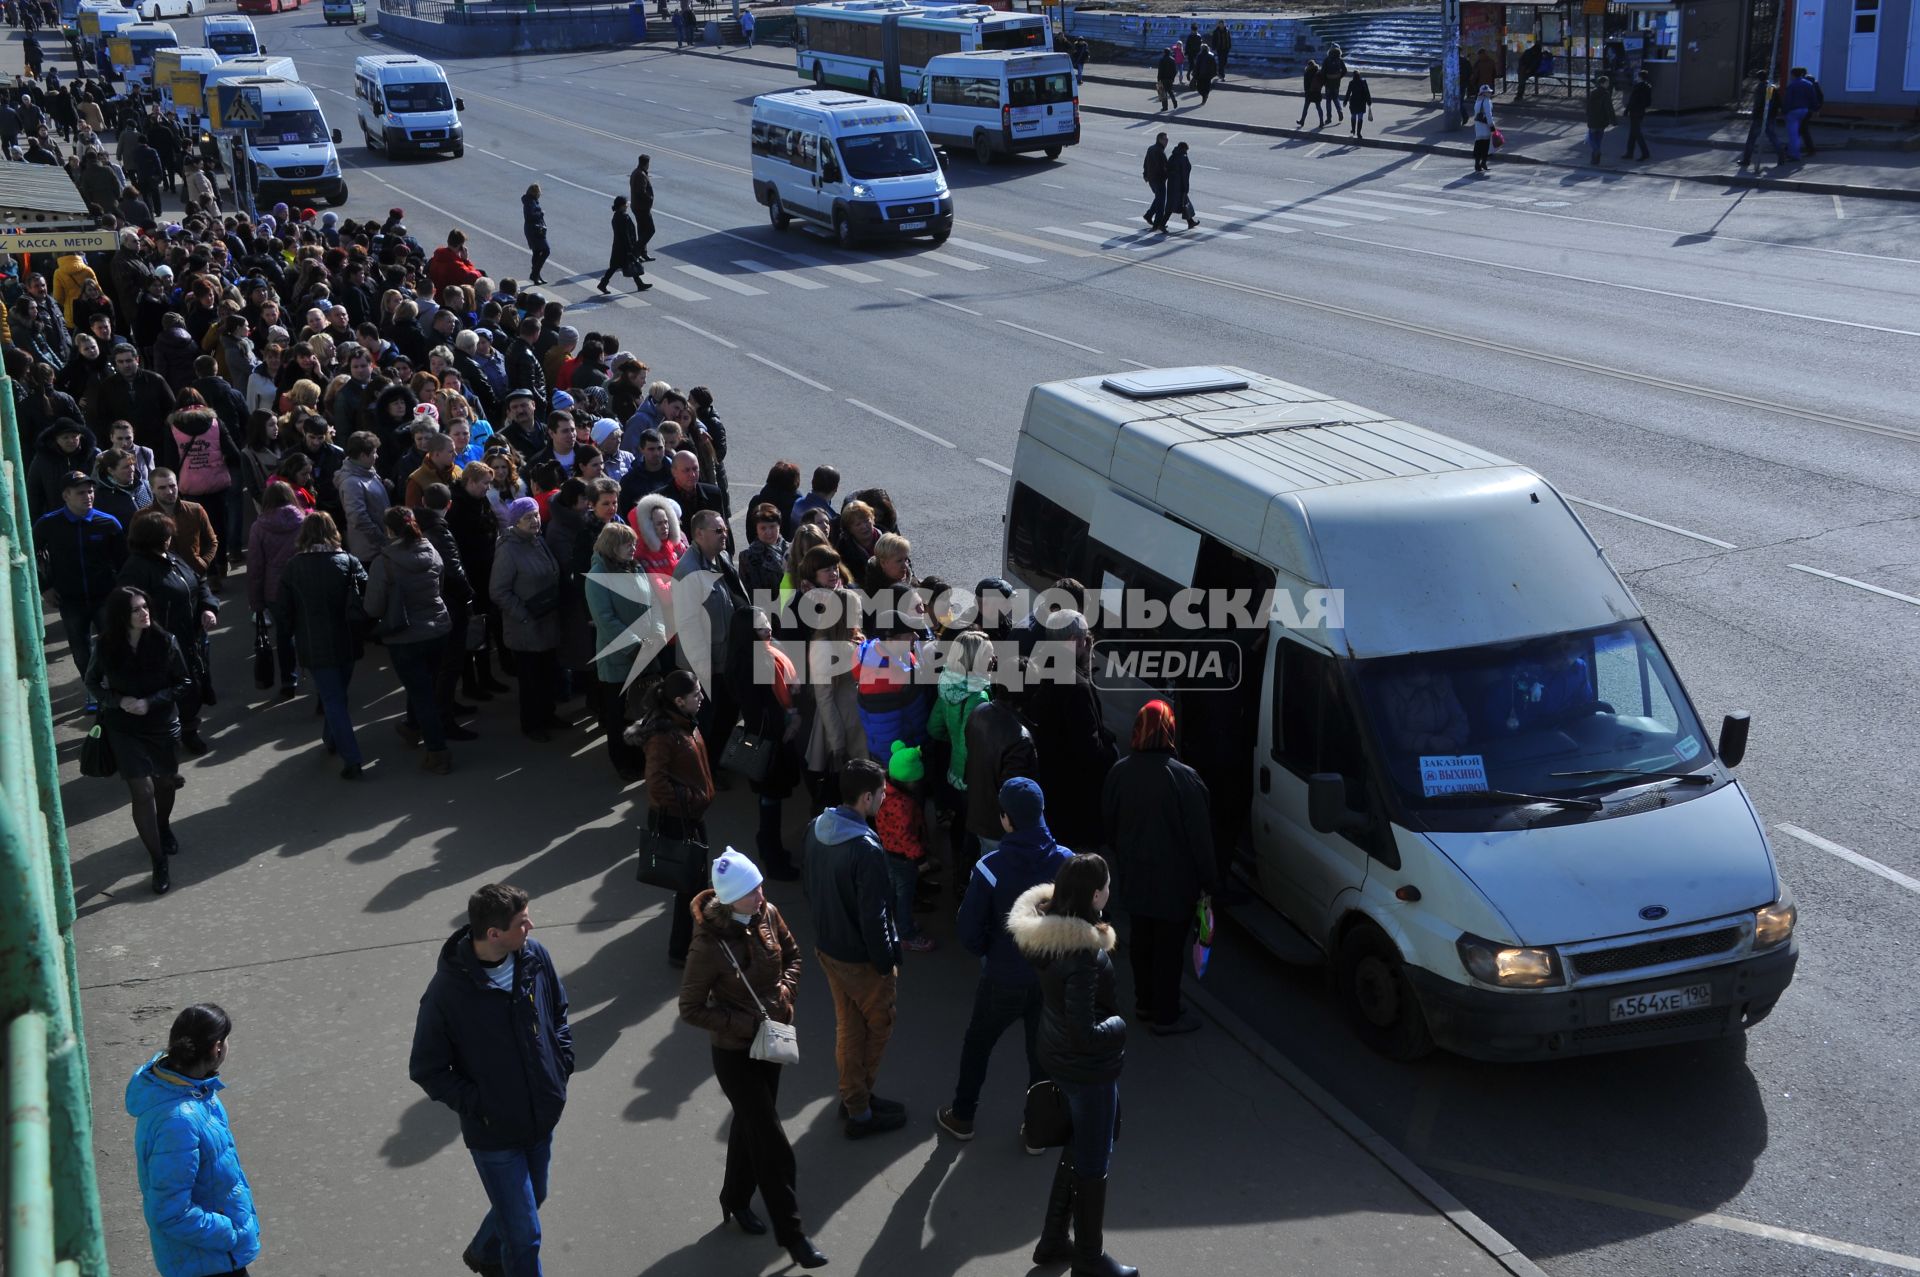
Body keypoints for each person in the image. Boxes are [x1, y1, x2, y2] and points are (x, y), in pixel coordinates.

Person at [409, 883, 573, 1277]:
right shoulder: (446, 993)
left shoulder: (534, 956)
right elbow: (427, 1068)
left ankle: (484, 1251)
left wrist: (561, 1063)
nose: (531, 926)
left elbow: (559, 1013)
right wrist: (482, 1105)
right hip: (495, 1134)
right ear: (495, 934)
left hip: (541, 1115)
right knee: (525, 1236)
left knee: (536, 1196)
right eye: (522, 922)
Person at [677, 850, 827, 1269]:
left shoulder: (769, 912)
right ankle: (793, 1236)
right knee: (772, 1143)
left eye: (759, 886)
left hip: (770, 1044)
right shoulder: (708, 945)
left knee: (749, 1125)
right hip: (735, 1053)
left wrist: (784, 994)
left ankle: (735, 1199)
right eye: (750, 892)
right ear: (729, 900)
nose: (760, 895)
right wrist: (741, 1022)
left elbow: (794, 956)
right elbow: (689, 1008)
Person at [1009, 854, 1134, 1277]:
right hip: (1087, 1069)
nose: (1111, 891)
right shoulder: (1084, 955)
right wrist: (1119, 1025)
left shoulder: (1048, 936)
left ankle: (1053, 1241)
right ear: (1096, 895)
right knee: (1094, 1160)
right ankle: (1089, 1258)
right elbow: (1087, 1032)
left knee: (1079, 1145)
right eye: (1108, 886)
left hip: (1057, 1055)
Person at [936, 776, 1071, 1145]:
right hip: (1049, 979)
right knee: (1041, 1057)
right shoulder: (1067, 864)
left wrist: (989, 950)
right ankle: (1037, 1130)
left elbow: (968, 930)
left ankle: (962, 1116)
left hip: (1002, 976)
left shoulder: (990, 867)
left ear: (1007, 820)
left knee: (978, 1044)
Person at [802, 757, 906, 1138]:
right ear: (866, 797)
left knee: (848, 1026)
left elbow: (809, 887)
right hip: (861, 960)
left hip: (828, 948)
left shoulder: (815, 828)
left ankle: (854, 1100)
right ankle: (861, 1108)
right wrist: (886, 963)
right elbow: (874, 917)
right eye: (881, 793)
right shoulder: (866, 849)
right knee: (878, 1025)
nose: (883, 799)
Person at [1103, 700, 1215, 1036]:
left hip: (1135, 876)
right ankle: (1167, 1016)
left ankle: (1144, 1003)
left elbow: (1108, 826)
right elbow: (1201, 840)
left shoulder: (1119, 772)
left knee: (1142, 941)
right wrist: (1210, 884)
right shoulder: (1185, 778)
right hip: (1175, 884)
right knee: (1168, 950)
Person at [126, 1003, 260, 1276]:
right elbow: (170, 1212)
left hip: (211, 1256)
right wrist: (229, 1232)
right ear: (217, 1048)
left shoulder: (194, 1091)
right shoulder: (178, 1121)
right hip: (205, 1262)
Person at [85, 586, 193, 893]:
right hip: (124, 727)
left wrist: (152, 700)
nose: (144, 613)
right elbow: (92, 682)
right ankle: (158, 860)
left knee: (165, 782)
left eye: (145, 607)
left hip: (162, 723)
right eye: (136, 609)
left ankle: (163, 826)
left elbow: (184, 682)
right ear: (122, 615)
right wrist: (117, 701)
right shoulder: (105, 645)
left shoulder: (165, 641)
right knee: (142, 790)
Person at [116, 510, 218, 756]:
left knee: (191, 687)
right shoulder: (136, 570)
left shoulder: (171, 558)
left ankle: (189, 730)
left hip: (188, 638)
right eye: (166, 535)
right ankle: (165, 740)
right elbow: (130, 609)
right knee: (170, 692)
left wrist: (207, 607)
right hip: (160, 645)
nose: (170, 539)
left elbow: (198, 582)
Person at [279, 512, 370, 778]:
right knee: (338, 695)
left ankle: (351, 758)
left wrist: (290, 636)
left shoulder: (294, 566)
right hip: (348, 639)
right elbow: (368, 594)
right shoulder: (348, 561)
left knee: (333, 699)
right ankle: (332, 739)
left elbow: (284, 611)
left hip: (313, 642)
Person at [636, 669, 717, 966]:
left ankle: (688, 945)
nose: (702, 699)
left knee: (694, 883)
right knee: (689, 886)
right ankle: (681, 951)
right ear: (680, 701)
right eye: (697, 694)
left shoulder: (685, 723)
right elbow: (656, 783)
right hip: (678, 819)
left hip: (690, 817)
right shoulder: (664, 735)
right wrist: (690, 799)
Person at [366, 506, 455, 772]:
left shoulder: (384, 562)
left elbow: (373, 607)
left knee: (421, 692)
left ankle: (438, 752)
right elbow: (439, 586)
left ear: (390, 530)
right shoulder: (432, 551)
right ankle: (411, 726)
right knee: (425, 684)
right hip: (438, 629)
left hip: (405, 637)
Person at [1024, 611, 1116, 849]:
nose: (1090, 643)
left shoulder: (1040, 667)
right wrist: (1112, 753)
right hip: (1076, 799)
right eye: (1087, 638)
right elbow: (1089, 750)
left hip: (1052, 788)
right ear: (1074, 641)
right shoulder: (1076, 687)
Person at [728, 605, 803, 880]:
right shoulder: (755, 661)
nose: (768, 629)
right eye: (761, 626)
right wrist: (788, 723)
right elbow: (761, 707)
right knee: (771, 800)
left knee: (768, 799)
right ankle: (773, 857)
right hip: (771, 741)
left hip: (766, 738)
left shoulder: (748, 656)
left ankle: (768, 844)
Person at [491, 496, 566, 741]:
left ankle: (548, 715)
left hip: (547, 621)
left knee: (547, 674)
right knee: (530, 680)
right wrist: (523, 615)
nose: (535, 521)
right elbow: (498, 591)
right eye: (528, 517)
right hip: (525, 628)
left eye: (536, 515)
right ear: (516, 522)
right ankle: (532, 724)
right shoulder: (509, 549)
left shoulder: (538, 541)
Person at [245, 480, 307, 697]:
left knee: (284, 635)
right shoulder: (304, 521)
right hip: (303, 584)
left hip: (275, 590)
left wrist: (256, 601)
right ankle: (315, 676)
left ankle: (289, 681)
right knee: (308, 632)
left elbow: (255, 566)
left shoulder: (259, 527)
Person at [877, 740, 934, 951]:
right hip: (903, 857)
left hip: (888, 851)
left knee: (892, 890)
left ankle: (896, 923)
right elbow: (906, 836)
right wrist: (920, 858)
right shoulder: (903, 804)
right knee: (905, 895)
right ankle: (907, 933)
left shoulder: (884, 790)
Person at [596, 195, 651, 295]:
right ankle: (603, 284)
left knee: (621, 265)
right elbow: (626, 234)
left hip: (618, 246)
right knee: (625, 265)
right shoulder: (623, 217)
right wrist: (630, 249)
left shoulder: (616, 216)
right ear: (621, 206)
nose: (627, 206)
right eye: (626, 204)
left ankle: (639, 284)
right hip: (624, 248)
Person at [1157, 140, 1195, 231]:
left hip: (1171, 184)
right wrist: (1186, 188)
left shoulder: (1173, 156)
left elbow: (1167, 168)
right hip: (1180, 186)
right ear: (1185, 149)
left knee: (1183, 203)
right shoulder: (1183, 158)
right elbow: (1185, 174)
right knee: (1173, 206)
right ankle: (1162, 224)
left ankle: (1190, 222)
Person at [1782, 66, 1818, 162]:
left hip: (1793, 111)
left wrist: (1784, 111)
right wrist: (1814, 109)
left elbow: (1787, 100)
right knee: (1800, 130)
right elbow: (1813, 98)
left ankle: (1794, 154)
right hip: (1805, 110)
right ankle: (1795, 152)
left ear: (1793, 75)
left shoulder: (1792, 85)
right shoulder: (1809, 84)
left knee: (1793, 134)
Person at [628, 154, 657, 262]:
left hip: (638, 206)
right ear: (646, 164)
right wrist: (650, 198)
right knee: (650, 230)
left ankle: (642, 253)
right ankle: (635, 252)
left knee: (642, 230)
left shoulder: (636, 172)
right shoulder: (640, 175)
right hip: (642, 208)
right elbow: (641, 192)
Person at [1585, 75, 1616, 165]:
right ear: (1603, 83)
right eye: (1607, 82)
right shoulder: (1605, 94)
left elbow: (1588, 107)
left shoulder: (1593, 93)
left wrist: (1588, 116)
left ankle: (1595, 157)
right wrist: (1613, 120)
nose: (1608, 84)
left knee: (1592, 139)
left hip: (1593, 119)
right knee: (1598, 140)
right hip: (1602, 120)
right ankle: (1596, 156)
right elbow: (1609, 108)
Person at [1623, 69, 1652, 161]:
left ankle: (1645, 153)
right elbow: (1648, 102)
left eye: (1637, 76)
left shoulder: (1638, 87)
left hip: (1635, 111)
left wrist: (1627, 110)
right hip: (1641, 111)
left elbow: (1632, 100)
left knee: (1637, 133)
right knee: (1633, 133)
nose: (1636, 77)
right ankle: (1629, 153)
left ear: (1640, 77)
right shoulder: (1648, 87)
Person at [1470, 84, 1496, 173]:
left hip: (1478, 127)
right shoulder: (1487, 101)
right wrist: (1492, 126)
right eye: (1488, 92)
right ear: (1484, 93)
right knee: (1485, 146)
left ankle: (1477, 164)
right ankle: (1483, 163)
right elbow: (1489, 115)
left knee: (1478, 146)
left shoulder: (1477, 101)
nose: (1490, 93)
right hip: (1485, 127)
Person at [1297, 58, 1324, 127]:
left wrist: (1306, 92)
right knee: (1319, 107)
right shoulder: (1318, 72)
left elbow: (1305, 84)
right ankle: (1321, 122)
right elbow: (1322, 82)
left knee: (1306, 108)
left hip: (1309, 93)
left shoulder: (1307, 73)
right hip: (1317, 92)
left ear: (1308, 65)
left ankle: (1302, 121)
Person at [1346, 72, 1373, 139]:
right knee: (1360, 118)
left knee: (1353, 116)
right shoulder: (1363, 82)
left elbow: (1348, 92)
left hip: (1353, 102)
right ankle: (1359, 133)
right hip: (1361, 102)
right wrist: (1369, 102)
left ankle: (1353, 130)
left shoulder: (1351, 82)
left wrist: (1345, 101)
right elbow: (1367, 93)